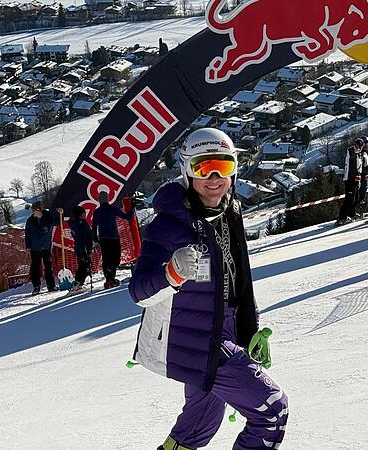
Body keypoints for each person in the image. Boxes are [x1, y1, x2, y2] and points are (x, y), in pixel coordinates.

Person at [128, 128, 288, 450]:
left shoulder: (230, 209)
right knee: (272, 410)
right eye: (203, 168)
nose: (214, 177)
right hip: (196, 336)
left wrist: (248, 331)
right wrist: (171, 272)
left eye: (224, 167)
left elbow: (238, 275)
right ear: (187, 171)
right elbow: (139, 292)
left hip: (226, 327)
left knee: (201, 422)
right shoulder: (169, 225)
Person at [92, 190, 134, 288]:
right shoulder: (112, 209)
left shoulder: (97, 212)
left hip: (103, 239)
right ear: (108, 198)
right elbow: (128, 217)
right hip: (114, 237)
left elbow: (94, 227)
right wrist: (132, 206)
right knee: (115, 259)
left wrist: (95, 240)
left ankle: (109, 279)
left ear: (99, 200)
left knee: (107, 259)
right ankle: (111, 279)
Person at [24, 201, 62, 295]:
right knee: (35, 268)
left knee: (48, 267)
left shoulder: (48, 218)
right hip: (35, 248)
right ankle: (36, 287)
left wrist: (60, 213)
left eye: (34, 210)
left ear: (39, 209)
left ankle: (51, 286)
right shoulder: (30, 220)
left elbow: (58, 221)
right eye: (32, 210)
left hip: (46, 247)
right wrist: (28, 246)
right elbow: (27, 233)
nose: (33, 212)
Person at [335, 140, 364, 226]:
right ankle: (342, 218)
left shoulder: (360, 154)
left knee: (354, 198)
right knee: (349, 199)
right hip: (349, 180)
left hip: (356, 180)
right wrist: (355, 150)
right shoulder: (351, 151)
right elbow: (351, 156)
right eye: (358, 146)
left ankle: (352, 214)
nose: (359, 148)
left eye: (361, 146)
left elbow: (359, 167)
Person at [69, 206, 94, 292]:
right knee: (84, 267)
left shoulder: (73, 223)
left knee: (82, 266)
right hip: (84, 249)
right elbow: (88, 237)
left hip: (78, 248)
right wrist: (89, 249)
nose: (85, 214)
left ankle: (78, 283)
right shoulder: (82, 224)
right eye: (83, 213)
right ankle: (78, 283)